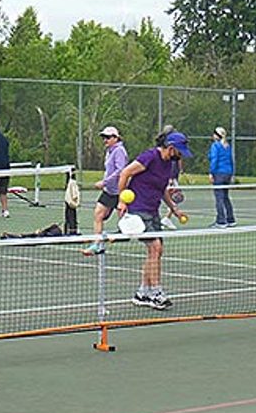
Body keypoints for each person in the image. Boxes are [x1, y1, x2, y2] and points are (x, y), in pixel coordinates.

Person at [116, 129, 191, 310]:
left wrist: (174, 208)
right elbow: (125, 173)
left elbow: (162, 188)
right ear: (171, 148)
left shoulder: (168, 164)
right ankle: (156, 292)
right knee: (155, 247)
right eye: (179, 151)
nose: (181, 155)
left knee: (156, 251)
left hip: (153, 210)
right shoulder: (149, 157)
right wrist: (121, 200)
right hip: (138, 209)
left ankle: (142, 292)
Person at [82, 126, 128, 255]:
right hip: (109, 191)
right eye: (104, 137)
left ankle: (123, 235)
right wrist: (106, 183)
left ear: (116, 138)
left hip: (119, 190)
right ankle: (98, 244)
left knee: (124, 221)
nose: (105, 140)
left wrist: (104, 182)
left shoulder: (119, 151)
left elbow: (120, 171)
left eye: (108, 137)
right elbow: (110, 170)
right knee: (98, 214)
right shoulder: (109, 151)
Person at [209, 126, 236, 228]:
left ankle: (221, 221)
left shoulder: (215, 146)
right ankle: (230, 219)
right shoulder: (227, 146)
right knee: (225, 197)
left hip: (219, 174)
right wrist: (232, 173)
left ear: (216, 135)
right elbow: (231, 161)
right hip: (227, 174)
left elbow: (214, 160)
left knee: (219, 198)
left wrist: (211, 173)